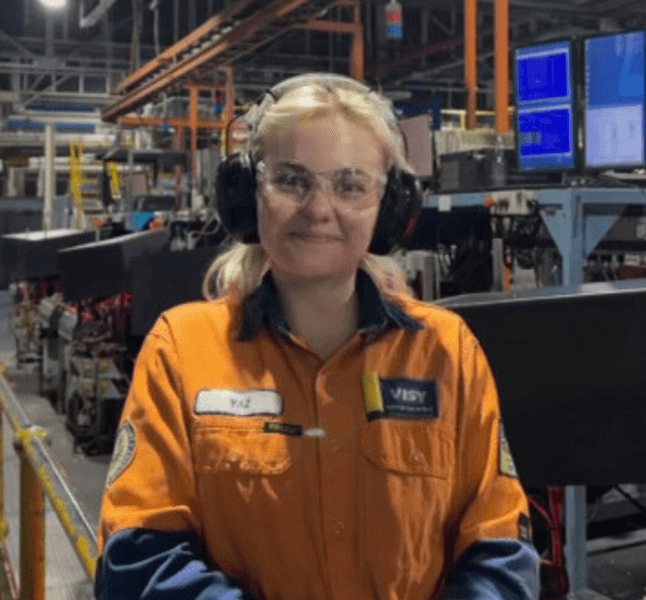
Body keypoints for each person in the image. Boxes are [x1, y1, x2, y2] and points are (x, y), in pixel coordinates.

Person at [94, 73, 540, 600]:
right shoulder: (180, 350)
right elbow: (137, 560)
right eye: (291, 179)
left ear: (389, 207)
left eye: (350, 184)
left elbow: (500, 548)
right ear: (245, 193)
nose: (318, 209)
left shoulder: (447, 351)